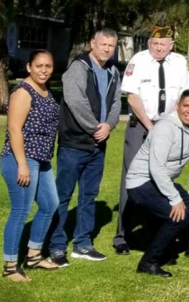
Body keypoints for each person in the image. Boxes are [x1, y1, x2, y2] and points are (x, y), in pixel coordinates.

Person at [114, 24, 189, 255]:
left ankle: (155, 230)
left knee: (162, 178)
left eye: (163, 44)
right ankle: (122, 235)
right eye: (155, 44)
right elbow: (132, 96)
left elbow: (184, 97)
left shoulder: (179, 62)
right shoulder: (138, 60)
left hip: (168, 128)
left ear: (171, 45)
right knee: (132, 178)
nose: (159, 48)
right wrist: (150, 126)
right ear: (149, 43)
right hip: (141, 126)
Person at [49, 29, 122, 266]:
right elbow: (74, 100)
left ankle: (82, 243)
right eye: (103, 44)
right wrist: (94, 127)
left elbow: (116, 102)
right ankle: (56, 246)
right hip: (74, 143)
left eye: (112, 46)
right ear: (93, 43)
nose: (107, 49)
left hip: (98, 145)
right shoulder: (78, 67)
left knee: (89, 195)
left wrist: (109, 126)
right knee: (62, 195)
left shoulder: (112, 70)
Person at [126, 89, 189, 278]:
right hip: (141, 182)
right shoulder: (165, 128)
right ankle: (149, 262)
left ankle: (161, 246)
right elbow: (156, 167)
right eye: (186, 106)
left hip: (162, 182)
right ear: (177, 106)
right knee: (176, 215)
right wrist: (174, 198)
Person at [0, 50, 60, 282]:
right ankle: (10, 267)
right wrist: (22, 164)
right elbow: (14, 129)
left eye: (48, 66)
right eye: (39, 66)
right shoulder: (23, 92)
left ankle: (34, 255)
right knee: (21, 210)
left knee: (49, 204)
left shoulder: (45, 90)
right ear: (29, 67)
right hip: (20, 159)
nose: (43, 70)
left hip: (41, 159)